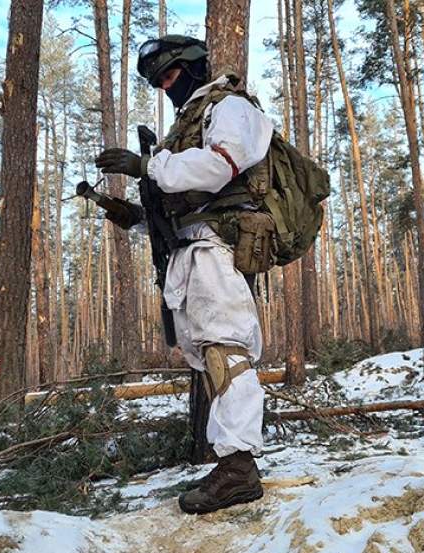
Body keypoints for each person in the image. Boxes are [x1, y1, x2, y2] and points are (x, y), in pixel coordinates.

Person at [94, 35, 272, 514]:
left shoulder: (230, 107)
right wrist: (129, 211)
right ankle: (230, 459)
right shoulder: (187, 121)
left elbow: (218, 168)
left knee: (226, 347)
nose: (166, 86)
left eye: (170, 76)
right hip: (191, 247)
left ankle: (238, 467)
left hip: (217, 245)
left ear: (192, 67)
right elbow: (177, 198)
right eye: (158, 82)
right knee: (208, 352)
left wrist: (148, 164)